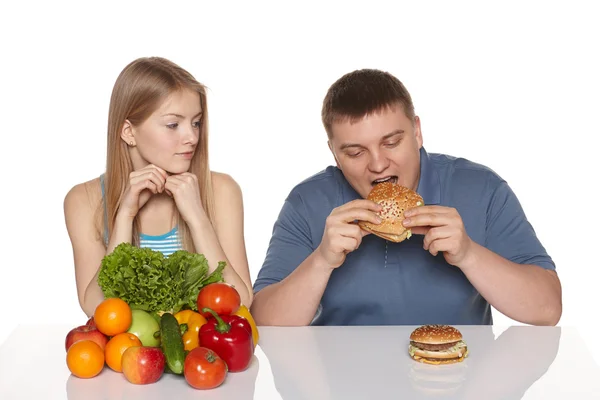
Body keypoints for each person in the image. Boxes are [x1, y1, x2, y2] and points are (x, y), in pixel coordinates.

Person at [251, 69, 562, 326]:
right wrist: (321, 260)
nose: (377, 164)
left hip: (459, 379)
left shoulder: (481, 188)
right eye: (355, 152)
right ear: (334, 152)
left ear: (416, 132)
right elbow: (264, 324)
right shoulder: (306, 202)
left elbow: (547, 309)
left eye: (391, 142)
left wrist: (469, 254)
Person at [64, 57, 253, 317]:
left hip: (200, 354)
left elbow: (240, 303)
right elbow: (98, 310)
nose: (192, 137)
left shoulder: (222, 191)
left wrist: (198, 219)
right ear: (129, 132)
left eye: (196, 122)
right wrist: (124, 217)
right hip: (128, 356)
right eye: (173, 125)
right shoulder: (83, 200)